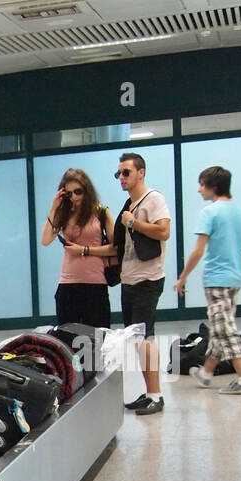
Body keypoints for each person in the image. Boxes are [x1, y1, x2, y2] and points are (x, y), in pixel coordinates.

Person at [175, 166, 241, 394]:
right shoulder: (240, 213)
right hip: (234, 279)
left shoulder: (209, 213)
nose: (199, 189)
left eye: (202, 184)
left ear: (213, 186)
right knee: (221, 326)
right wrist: (236, 265)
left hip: (216, 280)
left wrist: (182, 277)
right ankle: (206, 372)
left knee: (226, 329)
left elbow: (198, 251)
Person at [114, 152, 172, 415]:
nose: (121, 177)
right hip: (129, 278)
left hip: (147, 279)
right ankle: (149, 392)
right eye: (119, 173)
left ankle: (156, 395)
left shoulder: (153, 199)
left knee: (145, 337)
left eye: (126, 172)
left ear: (141, 172)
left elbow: (164, 231)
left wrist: (134, 222)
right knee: (138, 339)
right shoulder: (130, 203)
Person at [39, 168, 114, 329]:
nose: (74, 197)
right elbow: (45, 240)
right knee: (68, 338)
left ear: (87, 190)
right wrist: (54, 208)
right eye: (69, 194)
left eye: (78, 191)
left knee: (97, 338)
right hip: (68, 284)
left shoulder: (101, 212)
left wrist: (84, 250)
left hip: (95, 284)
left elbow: (115, 248)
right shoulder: (64, 213)